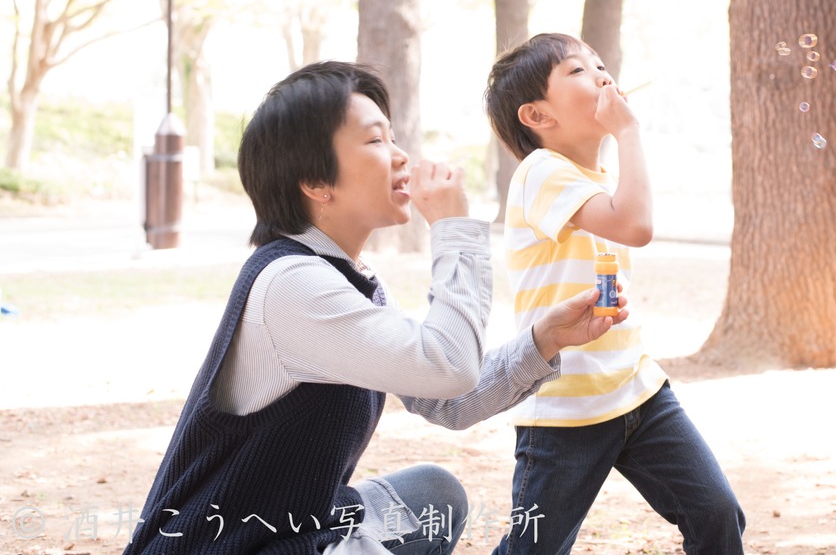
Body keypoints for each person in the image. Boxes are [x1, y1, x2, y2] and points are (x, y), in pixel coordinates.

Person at [123, 60, 627, 555]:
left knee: (434, 496)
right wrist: (452, 231)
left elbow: (446, 400)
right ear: (316, 182)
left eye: (392, 137)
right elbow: (449, 366)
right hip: (230, 543)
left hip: (290, 529)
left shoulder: (346, 278)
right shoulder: (293, 286)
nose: (401, 156)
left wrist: (544, 341)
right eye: (374, 141)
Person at [483, 33, 746, 554]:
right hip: (565, 410)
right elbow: (635, 224)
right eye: (578, 71)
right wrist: (629, 131)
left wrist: (623, 137)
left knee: (716, 513)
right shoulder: (541, 173)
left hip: (637, 389)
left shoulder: (592, 176)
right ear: (536, 116)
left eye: (600, 65)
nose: (602, 75)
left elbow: (629, 214)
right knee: (535, 549)